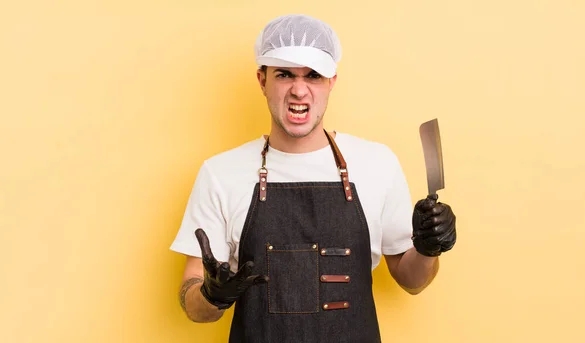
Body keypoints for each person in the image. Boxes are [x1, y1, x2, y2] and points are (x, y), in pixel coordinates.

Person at [170, 13, 457, 342]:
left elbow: (412, 280)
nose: (299, 90)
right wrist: (211, 294)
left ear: (332, 80)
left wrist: (427, 247)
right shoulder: (220, 173)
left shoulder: (377, 163)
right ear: (262, 80)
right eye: (284, 74)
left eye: (313, 75)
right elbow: (192, 303)